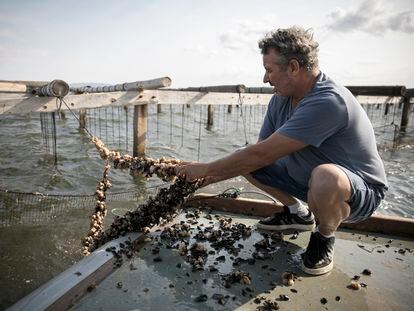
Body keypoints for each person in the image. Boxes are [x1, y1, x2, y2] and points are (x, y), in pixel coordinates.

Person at [175, 26, 387, 275]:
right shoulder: (281, 99)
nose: (266, 79)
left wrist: (206, 168)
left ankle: (323, 235)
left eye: (269, 70)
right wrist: (202, 178)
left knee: (325, 176)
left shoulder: (328, 101)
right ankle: (298, 213)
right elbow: (257, 154)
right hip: (308, 184)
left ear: (294, 67)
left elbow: (260, 155)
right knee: (245, 158)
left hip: (358, 192)